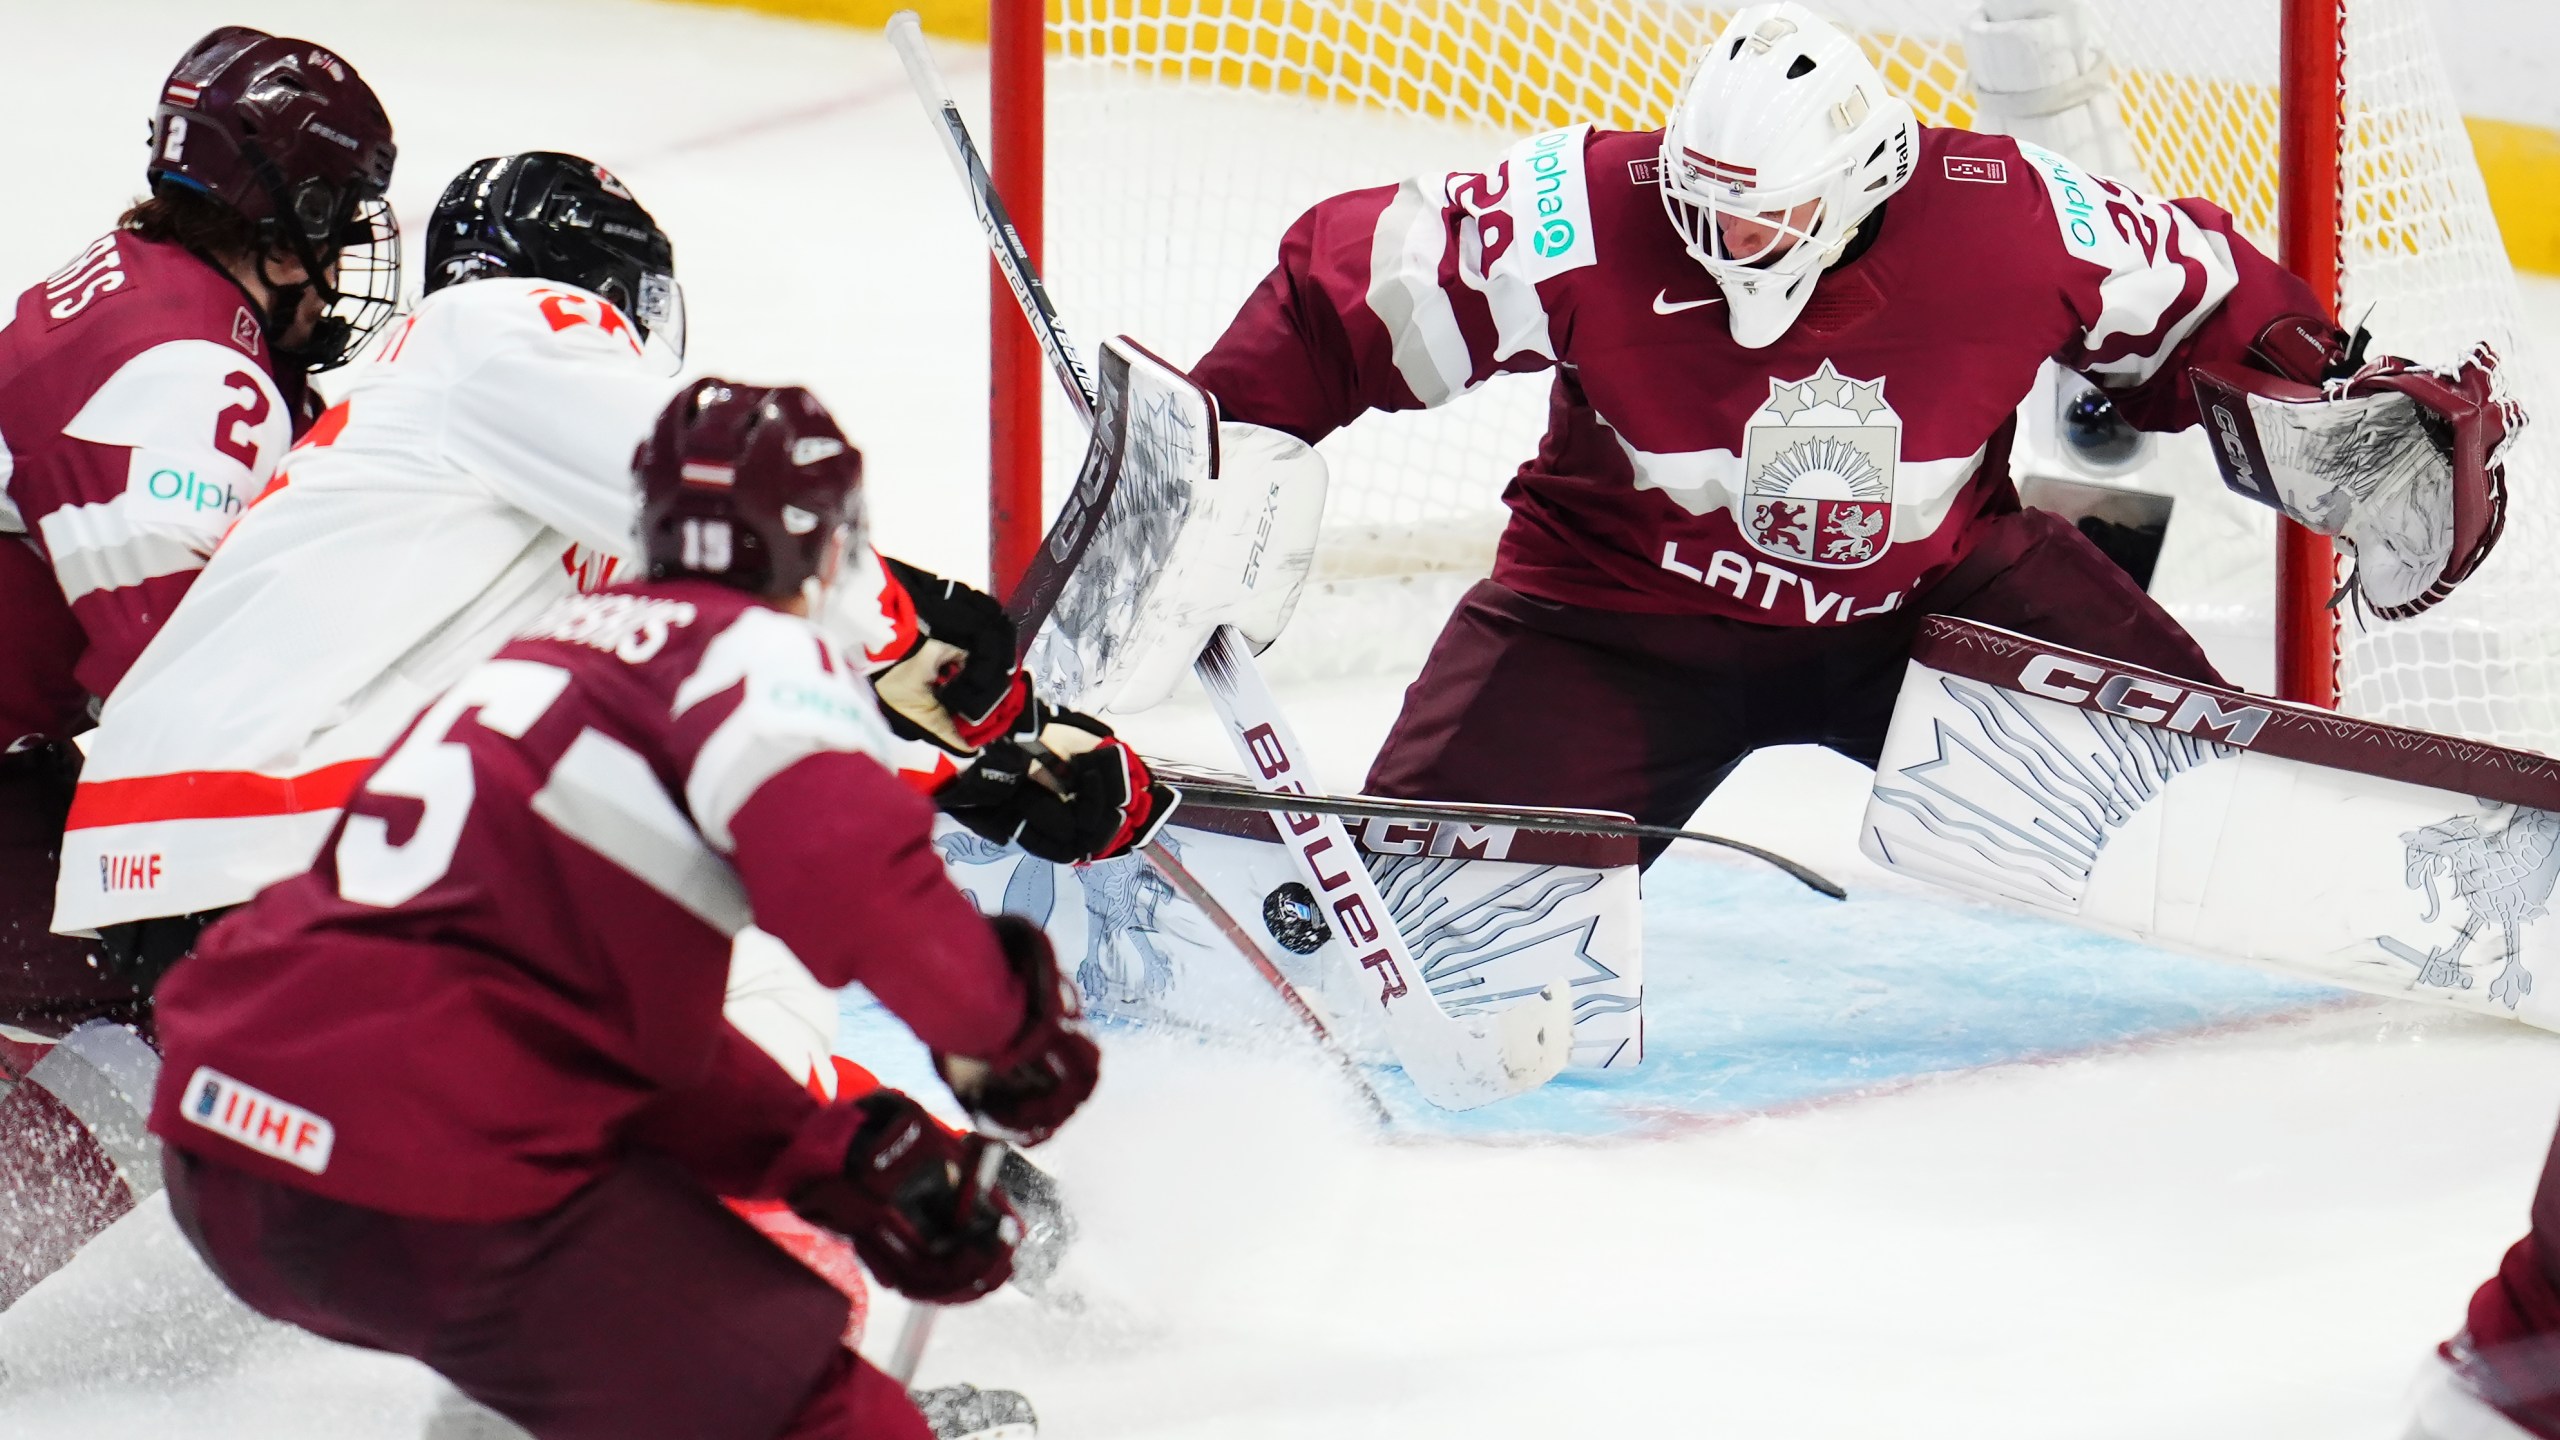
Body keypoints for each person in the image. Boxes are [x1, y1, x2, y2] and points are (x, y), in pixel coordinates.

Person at [1117, 1, 2513, 867]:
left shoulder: (2010, 216)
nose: (1727, 239)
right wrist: (1224, 436)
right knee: (1442, 912)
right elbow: (1349, 296)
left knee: (2209, 819)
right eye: (1703, 201)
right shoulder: (1587, 207)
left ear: (1864, 182)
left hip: (1931, 612)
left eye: (1764, 214)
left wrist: (2325, 394)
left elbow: (2197, 303)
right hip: (1609, 626)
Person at [149, 379, 1101, 1440]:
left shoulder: (541, 653)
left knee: (576, 1351)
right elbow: (851, 881)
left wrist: (819, 1154)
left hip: (225, 1147)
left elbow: (615, 1035)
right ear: (827, 547)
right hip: (417, 1168)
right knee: (815, 1410)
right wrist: (1004, 1032)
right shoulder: (752, 650)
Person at [0, 24, 397, 1309]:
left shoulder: (141, 286)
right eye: (338, 231)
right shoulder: (185, 369)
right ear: (289, 216)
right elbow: (183, 688)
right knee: (182, 1021)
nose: (338, 276)